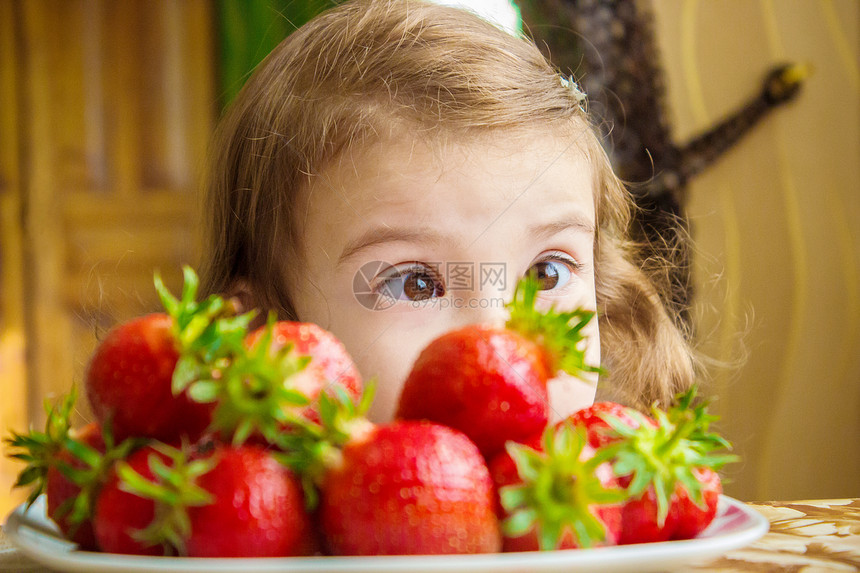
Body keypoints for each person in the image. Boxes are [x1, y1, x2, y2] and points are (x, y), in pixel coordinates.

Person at [199, 0, 694, 422]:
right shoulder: (242, 516)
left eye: (545, 274)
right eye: (414, 283)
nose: (500, 350)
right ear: (264, 336)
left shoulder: (614, 501)